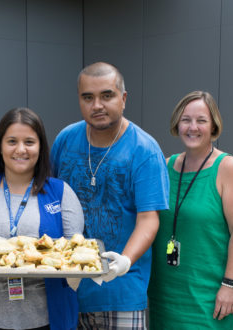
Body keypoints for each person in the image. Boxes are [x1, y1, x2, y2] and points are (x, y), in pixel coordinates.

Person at [50, 62, 169, 329]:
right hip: (67, 288)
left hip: (121, 291)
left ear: (123, 98)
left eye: (107, 95)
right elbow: (49, 201)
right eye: (88, 97)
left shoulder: (145, 150)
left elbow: (149, 218)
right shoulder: (65, 140)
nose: (97, 105)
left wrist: (125, 260)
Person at [0, 107, 84, 330]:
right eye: (12, 141)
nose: (21, 150)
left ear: (41, 146)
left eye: (30, 142)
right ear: (0, 146)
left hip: (50, 318)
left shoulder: (61, 193)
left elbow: (74, 252)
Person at [148, 91, 233, 329]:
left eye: (201, 120)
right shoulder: (165, 165)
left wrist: (231, 285)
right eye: (186, 120)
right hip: (164, 290)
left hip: (208, 292)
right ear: (177, 123)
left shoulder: (228, 167)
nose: (192, 127)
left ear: (214, 125)